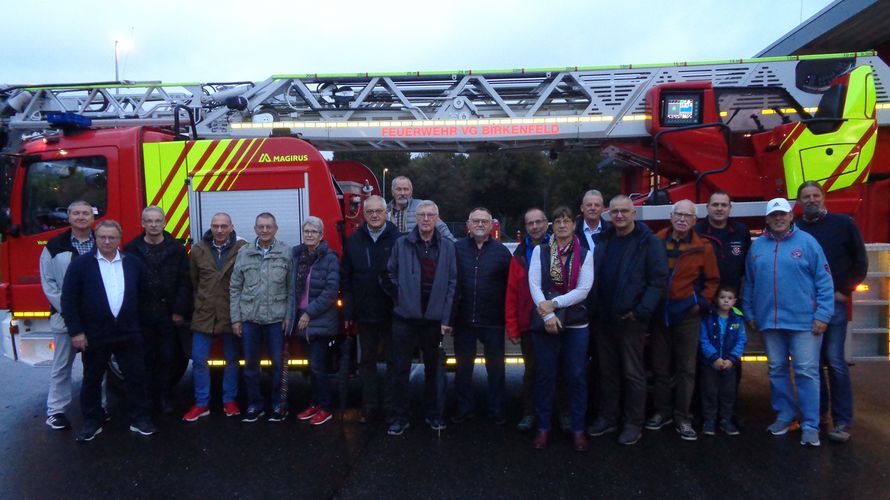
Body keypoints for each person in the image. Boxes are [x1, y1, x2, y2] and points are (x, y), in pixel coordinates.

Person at [742, 197, 834, 447]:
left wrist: (823, 315)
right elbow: (749, 282)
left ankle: (810, 425)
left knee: (806, 372)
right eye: (774, 215)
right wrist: (749, 312)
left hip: (805, 323)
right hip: (770, 323)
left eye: (783, 214)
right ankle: (785, 416)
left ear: (792, 216)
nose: (779, 218)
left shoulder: (807, 243)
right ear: (768, 219)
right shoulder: (758, 246)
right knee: (777, 370)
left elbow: (824, 281)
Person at [61, 220, 155, 442]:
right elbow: (69, 300)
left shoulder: (133, 263)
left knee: (136, 377)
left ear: (119, 239)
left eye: (112, 237)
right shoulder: (81, 265)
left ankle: (140, 419)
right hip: (95, 333)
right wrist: (76, 332)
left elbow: (145, 296)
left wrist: (141, 326)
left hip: (128, 332)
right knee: (92, 379)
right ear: (96, 238)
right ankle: (93, 422)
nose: (107, 241)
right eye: (102, 237)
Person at [588, 195, 667, 446]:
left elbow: (658, 281)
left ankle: (634, 423)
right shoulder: (604, 241)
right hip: (604, 319)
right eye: (615, 212)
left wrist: (641, 311)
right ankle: (609, 417)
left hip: (631, 320)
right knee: (607, 372)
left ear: (634, 213)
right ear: (608, 215)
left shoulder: (648, 242)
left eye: (624, 211)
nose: (619, 215)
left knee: (633, 374)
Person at [796, 181, 868, 443]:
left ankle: (842, 421)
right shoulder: (797, 229)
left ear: (823, 198)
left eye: (816, 195)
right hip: (807, 307)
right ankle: (819, 415)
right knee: (813, 364)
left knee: (835, 362)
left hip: (835, 305)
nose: (812, 200)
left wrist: (844, 291)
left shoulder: (843, 224)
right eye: (806, 197)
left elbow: (860, 261)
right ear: (800, 201)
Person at [648, 199, 720, 441]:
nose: (682, 219)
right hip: (660, 314)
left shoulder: (703, 248)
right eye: (678, 214)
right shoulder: (656, 241)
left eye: (687, 216)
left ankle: (682, 417)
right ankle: (662, 412)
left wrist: (700, 304)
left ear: (694, 220)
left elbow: (712, 280)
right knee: (659, 367)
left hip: (687, 316)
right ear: (670, 216)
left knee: (686, 369)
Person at [383, 200, 457, 436]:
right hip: (405, 319)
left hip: (434, 321)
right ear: (415, 218)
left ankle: (434, 414)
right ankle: (399, 417)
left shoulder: (447, 247)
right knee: (400, 370)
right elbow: (389, 274)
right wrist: (400, 298)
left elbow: (453, 284)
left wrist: (446, 317)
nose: (425, 219)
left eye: (430, 215)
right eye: (422, 214)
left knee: (434, 371)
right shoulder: (401, 244)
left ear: (437, 218)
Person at [528, 206, 594, 452]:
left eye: (567, 221)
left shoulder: (585, 254)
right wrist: (547, 315)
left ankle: (578, 429)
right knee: (545, 376)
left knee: (576, 376)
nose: (563, 225)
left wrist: (553, 305)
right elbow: (534, 284)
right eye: (558, 221)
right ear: (551, 226)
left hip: (576, 323)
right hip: (547, 323)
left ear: (574, 226)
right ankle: (543, 428)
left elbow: (583, 290)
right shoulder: (540, 251)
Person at [123, 206, 191, 414]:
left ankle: (164, 396)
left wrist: (179, 310)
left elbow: (185, 282)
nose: (153, 225)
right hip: (142, 314)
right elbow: (126, 284)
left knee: (168, 358)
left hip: (168, 314)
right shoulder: (131, 249)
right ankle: (147, 399)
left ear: (164, 223)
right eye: (149, 221)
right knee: (146, 358)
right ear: (142, 224)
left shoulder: (177, 249)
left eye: (157, 221)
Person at [182, 212, 247, 422]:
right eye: (215, 226)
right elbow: (194, 280)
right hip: (204, 314)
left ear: (231, 227)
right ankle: (202, 404)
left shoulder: (242, 249)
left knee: (232, 360)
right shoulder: (198, 250)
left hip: (231, 313)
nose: (219, 230)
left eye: (223, 226)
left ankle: (229, 401)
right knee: (200, 360)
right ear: (210, 227)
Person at [341, 195, 400, 423]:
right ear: (364, 215)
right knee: (367, 363)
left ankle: (391, 408)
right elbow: (346, 278)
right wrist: (348, 309)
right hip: (365, 314)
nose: (375, 215)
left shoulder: (399, 240)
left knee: (394, 363)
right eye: (370, 212)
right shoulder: (354, 241)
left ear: (387, 213)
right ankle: (369, 406)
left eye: (379, 211)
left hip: (393, 313)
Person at [230, 212, 293, 423]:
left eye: (268, 226)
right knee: (250, 367)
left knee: (277, 365)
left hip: (276, 320)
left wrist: (288, 317)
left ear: (276, 229)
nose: (264, 230)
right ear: (255, 229)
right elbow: (235, 287)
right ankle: (255, 404)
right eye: (260, 227)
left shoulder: (286, 253)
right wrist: (236, 319)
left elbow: (291, 289)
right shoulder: (244, 253)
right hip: (250, 320)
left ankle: (277, 404)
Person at [452, 207, 512, 425]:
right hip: (464, 319)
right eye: (475, 221)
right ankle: (464, 408)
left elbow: (510, 287)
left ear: (491, 225)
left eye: (484, 221)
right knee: (463, 368)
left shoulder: (502, 252)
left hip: (493, 320)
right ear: (467, 225)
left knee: (496, 369)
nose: (479, 224)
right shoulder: (456, 249)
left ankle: (497, 410)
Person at [40, 200, 96, 430]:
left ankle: (98, 407)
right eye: (76, 213)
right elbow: (49, 284)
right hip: (65, 320)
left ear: (93, 218)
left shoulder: (102, 242)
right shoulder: (54, 246)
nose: (81, 217)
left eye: (85, 213)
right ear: (69, 217)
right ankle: (56, 411)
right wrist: (71, 310)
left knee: (96, 367)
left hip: (95, 320)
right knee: (62, 366)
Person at [290, 216, 341, 426]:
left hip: (318, 321)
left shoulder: (330, 258)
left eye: (314, 232)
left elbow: (331, 292)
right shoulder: (297, 256)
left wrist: (309, 313)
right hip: (300, 320)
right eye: (306, 231)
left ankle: (326, 407)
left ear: (321, 236)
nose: (309, 235)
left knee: (319, 366)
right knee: (312, 366)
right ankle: (315, 403)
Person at [506, 208, 550, 432]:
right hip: (529, 324)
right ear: (526, 227)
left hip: (557, 321)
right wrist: (513, 328)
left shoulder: (562, 248)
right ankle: (529, 413)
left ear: (547, 223)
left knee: (559, 370)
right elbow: (512, 294)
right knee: (531, 372)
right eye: (530, 223)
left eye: (539, 222)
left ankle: (562, 413)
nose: (535, 227)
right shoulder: (520, 256)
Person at [699, 286, 747, 436]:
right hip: (711, 363)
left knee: (728, 393)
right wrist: (714, 357)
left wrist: (732, 359)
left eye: (729, 298)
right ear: (715, 299)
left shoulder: (738, 320)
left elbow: (741, 340)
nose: (726, 300)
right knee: (709, 391)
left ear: (735, 301)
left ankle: (726, 420)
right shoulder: (708, 319)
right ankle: (709, 420)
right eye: (722, 297)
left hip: (729, 364)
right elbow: (703, 340)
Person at [694, 191, 750, 291]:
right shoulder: (696, 231)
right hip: (704, 296)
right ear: (707, 207)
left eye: (724, 205)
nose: (719, 208)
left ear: (730, 208)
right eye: (715, 205)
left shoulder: (741, 231)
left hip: (732, 297)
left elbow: (747, 265)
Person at [386, 175, 456, 241]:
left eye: (406, 189)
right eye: (398, 189)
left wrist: (455, 246)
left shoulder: (422, 207)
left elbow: (441, 228)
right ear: (392, 192)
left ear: (411, 192)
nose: (402, 193)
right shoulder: (384, 211)